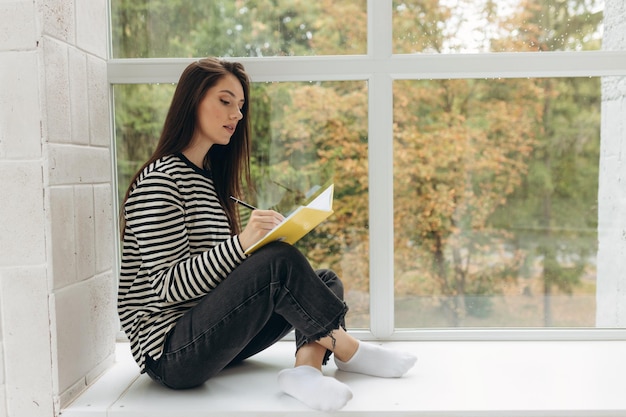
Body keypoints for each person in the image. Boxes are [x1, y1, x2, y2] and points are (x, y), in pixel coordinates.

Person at [118, 57, 417, 412]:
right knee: (280, 262)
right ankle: (348, 349)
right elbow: (169, 287)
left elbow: (217, 277)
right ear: (192, 101)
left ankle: (304, 373)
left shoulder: (206, 178)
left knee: (323, 281)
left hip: (211, 338)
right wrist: (244, 245)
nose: (237, 115)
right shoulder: (160, 181)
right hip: (171, 354)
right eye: (225, 101)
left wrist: (257, 247)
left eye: (241, 106)